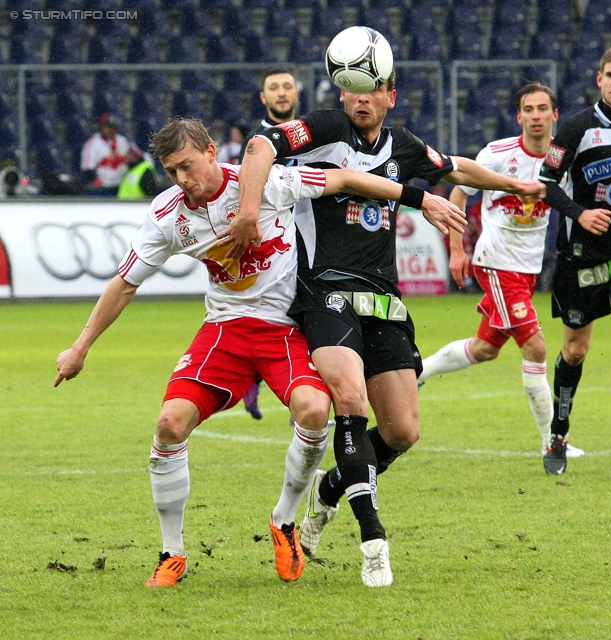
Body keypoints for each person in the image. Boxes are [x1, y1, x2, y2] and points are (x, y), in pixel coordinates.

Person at [53, 116, 462, 587]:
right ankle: (172, 553)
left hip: (282, 331)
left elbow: (346, 178)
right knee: (168, 425)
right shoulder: (168, 215)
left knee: (314, 411)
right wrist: (80, 347)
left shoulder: (264, 183)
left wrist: (419, 197)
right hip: (223, 331)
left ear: (211, 151)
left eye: (188, 165)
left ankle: (284, 521)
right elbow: (125, 284)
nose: (184, 180)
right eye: (172, 172)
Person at [228, 68, 545, 586]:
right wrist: (246, 211)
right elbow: (262, 145)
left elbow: (455, 168)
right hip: (323, 289)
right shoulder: (325, 127)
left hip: (382, 297)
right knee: (349, 400)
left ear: (389, 98)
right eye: (352, 90)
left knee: (403, 431)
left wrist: (513, 183)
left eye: (372, 91)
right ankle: (373, 540)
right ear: (342, 94)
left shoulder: (403, 145)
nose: (361, 99)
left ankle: (331, 488)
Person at [418, 83, 584, 461]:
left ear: (555, 115)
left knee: (485, 348)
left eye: (544, 109)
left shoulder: (562, 159)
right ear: (520, 116)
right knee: (537, 347)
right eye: (529, 109)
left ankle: (416, 373)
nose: (537, 116)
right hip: (496, 262)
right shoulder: (496, 154)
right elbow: (457, 191)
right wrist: (456, 249)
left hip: (527, 268)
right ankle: (552, 443)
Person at [539, 45, 611, 475]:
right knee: (575, 351)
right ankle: (557, 434)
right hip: (582, 257)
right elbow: (546, 182)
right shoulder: (578, 128)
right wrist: (580, 212)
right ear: (599, 79)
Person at [239, 68, 301, 420]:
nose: (281, 93)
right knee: (268, 315)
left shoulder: (310, 135)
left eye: (287, 87)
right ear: (263, 98)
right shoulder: (257, 143)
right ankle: (254, 377)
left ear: (296, 94)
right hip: (272, 240)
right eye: (274, 88)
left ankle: (300, 395)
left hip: (308, 238)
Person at [81, 113, 140, 194]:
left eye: (113, 127)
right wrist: (96, 181)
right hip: (103, 188)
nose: (111, 130)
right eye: (108, 127)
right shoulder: (92, 144)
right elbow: (87, 168)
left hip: (121, 186)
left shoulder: (122, 141)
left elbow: (136, 157)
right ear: (102, 127)